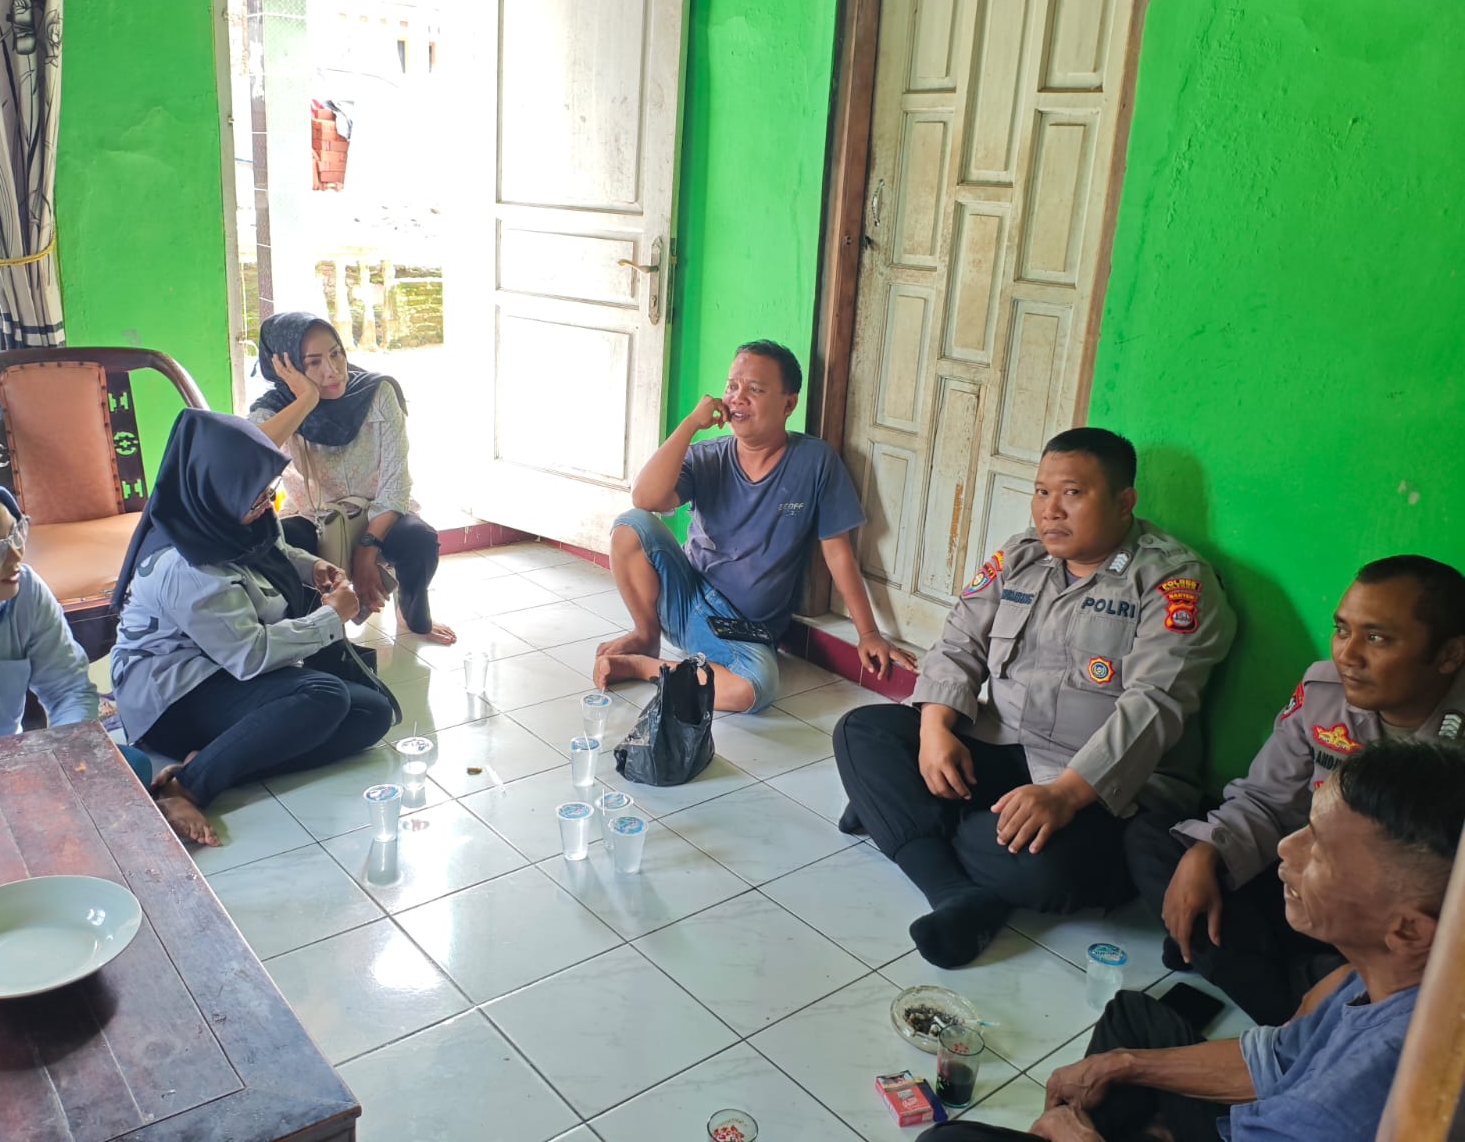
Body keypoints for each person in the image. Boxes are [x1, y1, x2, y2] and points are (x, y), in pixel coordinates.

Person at [918, 740, 1465, 1142]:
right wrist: (1123, 1064)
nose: (1287, 849)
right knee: (1130, 1024)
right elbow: (1274, 1063)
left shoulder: (1371, 1087)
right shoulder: (1374, 980)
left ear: (1408, 929)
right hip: (1257, 1122)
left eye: (1319, 848)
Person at [834, 428, 1236, 968]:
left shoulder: (1173, 582)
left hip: (1102, 788)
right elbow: (958, 642)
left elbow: (1154, 706)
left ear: (1124, 502)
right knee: (861, 733)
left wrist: (1064, 795)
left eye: (1072, 493)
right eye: (1042, 492)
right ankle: (954, 889)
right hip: (1004, 745)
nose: (1051, 510)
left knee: (1040, 866)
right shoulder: (1022, 557)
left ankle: (907, 823)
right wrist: (934, 729)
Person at [1127, 555, 1465, 1025]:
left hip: (1394, 922)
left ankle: (1290, 994)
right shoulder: (1324, 690)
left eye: (1377, 638)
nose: (1348, 655)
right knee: (1157, 841)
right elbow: (1267, 800)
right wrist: (1208, 852)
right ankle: (1309, 997)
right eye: (1342, 630)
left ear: (1450, 655)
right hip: (1311, 879)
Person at [110, 409, 398, 844]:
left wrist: (312, 566)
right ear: (218, 486)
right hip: (171, 695)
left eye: (269, 488)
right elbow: (251, 655)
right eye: (254, 492)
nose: (266, 500)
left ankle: (215, 759)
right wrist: (331, 617)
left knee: (370, 715)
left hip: (220, 665)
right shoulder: (188, 567)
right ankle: (185, 787)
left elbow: (273, 550)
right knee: (322, 694)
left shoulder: (230, 513)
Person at [593, 339, 914, 713]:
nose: (737, 398)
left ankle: (641, 667)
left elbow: (837, 552)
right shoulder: (708, 456)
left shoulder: (815, 462)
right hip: (686, 601)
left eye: (755, 390)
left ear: (788, 404)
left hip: (743, 630)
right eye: (732, 386)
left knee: (754, 688)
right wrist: (690, 425)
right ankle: (647, 636)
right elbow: (645, 498)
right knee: (631, 525)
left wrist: (868, 633)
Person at [0, 476, 203, 827]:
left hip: (8, 768)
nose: (15, 556)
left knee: (130, 765)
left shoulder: (23, 592)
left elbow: (69, 690)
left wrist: (64, 763)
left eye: (16, 534)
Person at [250, 310, 455, 644]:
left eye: (336, 354)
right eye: (313, 362)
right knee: (283, 545)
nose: (333, 370)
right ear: (286, 368)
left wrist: (366, 551)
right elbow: (249, 453)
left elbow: (396, 486)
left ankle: (410, 614)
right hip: (315, 518)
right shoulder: (277, 407)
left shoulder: (376, 392)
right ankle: (320, 630)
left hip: (380, 515)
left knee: (419, 539)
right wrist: (306, 400)